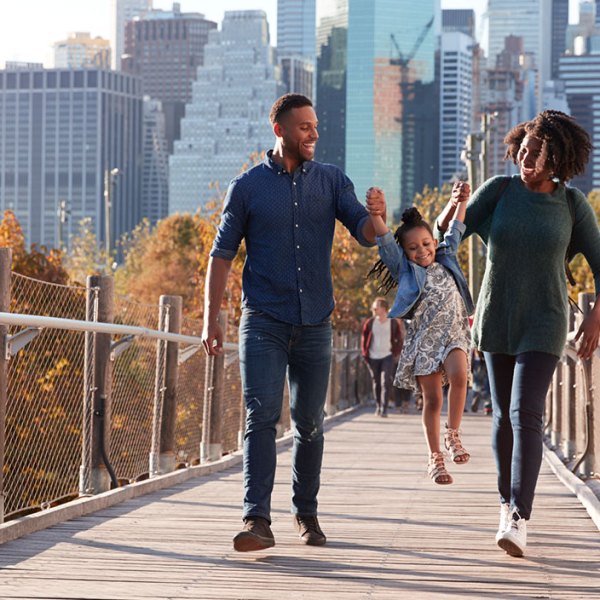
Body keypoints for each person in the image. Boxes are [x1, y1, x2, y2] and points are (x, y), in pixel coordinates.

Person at [201, 93, 385, 552]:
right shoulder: (246, 188)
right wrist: (211, 320)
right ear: (280, 130)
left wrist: (377, 218)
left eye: (316, 126)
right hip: (262, 319)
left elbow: (362, 231)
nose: (314, 134)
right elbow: (220, 256)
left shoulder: (331, 181)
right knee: (260, 416)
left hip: (316, 322)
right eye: (305, 127)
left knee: (310, 423)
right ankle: (256, 519)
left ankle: (306, 511)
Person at [435, 110, 600, 557]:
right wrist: (454, 205)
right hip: (497, 318)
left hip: (544, 321)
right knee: (503, 417)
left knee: (525, 413)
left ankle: (519, 516)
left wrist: (595, 316)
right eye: (523, 149)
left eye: (537, 154)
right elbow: (444, 238)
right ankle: (505, 502)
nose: (526, 158)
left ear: (557, 160)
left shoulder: (571, 205)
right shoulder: (500, 191)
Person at [366, 182, 474, 485]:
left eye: (426, 244)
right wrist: (376, 214)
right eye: (413, 248)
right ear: (405, 252)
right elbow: (385, 240)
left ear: (433, 241)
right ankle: (435, 458)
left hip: (452, 333)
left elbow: (456, 227)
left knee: (460, 376)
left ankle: (453, 435)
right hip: (424, 339)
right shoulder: (405, 269)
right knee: (432, 400)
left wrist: (460, 201)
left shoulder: (446, 255)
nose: (422, 251)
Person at [360, 297, 403, 417]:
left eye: (376, 307)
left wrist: (395, 352)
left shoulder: (392, 322)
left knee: (386, 382)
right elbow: (364, 339)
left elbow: (399, 339)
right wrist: (365, 354)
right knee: (376, 382)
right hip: (373, 357)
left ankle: (384, 409)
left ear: (383, 308)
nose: (373, 309)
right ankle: (378, 405)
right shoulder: (370, 323)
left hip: (387, 356)